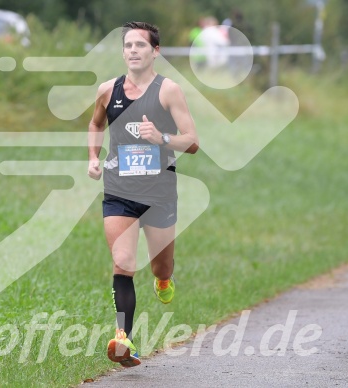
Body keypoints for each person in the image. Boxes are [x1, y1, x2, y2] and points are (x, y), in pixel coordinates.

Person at [87, 21, 199, 368]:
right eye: (128, 45)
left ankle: (164, 279)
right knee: (123, 262)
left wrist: (161, 139)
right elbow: (95, 124)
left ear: (155, 52)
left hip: (160, 194)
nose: (133, 50)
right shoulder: (108, 90)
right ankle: (124, 339)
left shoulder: (169, 92)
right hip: (119, 191)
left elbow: (192, 141)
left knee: (158, 265)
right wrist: (93, 157)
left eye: (140, 45)